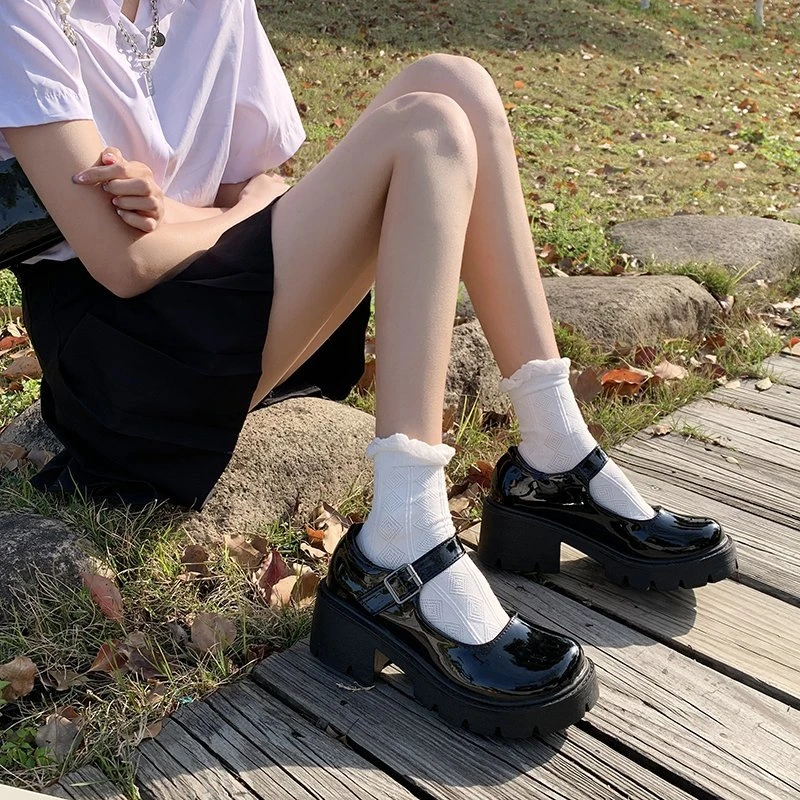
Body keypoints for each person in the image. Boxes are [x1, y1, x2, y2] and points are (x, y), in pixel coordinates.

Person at [0, 0, 737, 738]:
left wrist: (187, 215)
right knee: (426, 129)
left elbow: (258, 184)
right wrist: (229, 214)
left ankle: (554, 453)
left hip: (228, 301)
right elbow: (126, 262)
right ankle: (402, 539)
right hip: (126, 369)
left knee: (455, 82)